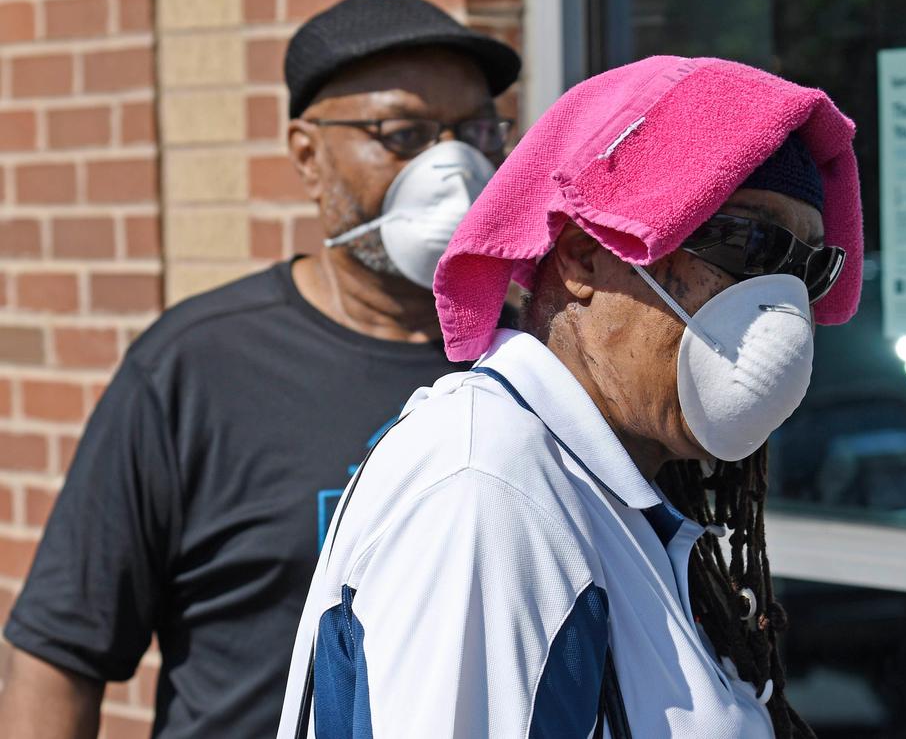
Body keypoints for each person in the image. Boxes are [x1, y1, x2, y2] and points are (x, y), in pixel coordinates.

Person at [277, 55, 862, 738]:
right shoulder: (486, 492)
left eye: (808, 266)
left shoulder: (607, 489)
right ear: (584, 255)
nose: (781, 302)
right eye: (746, 240)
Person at [0, 0, 520, 739]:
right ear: (307, 155)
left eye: (475, 131)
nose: (454, 167)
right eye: (403, 134)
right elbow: (58, 657)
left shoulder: (533, 359)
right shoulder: (196, 367)